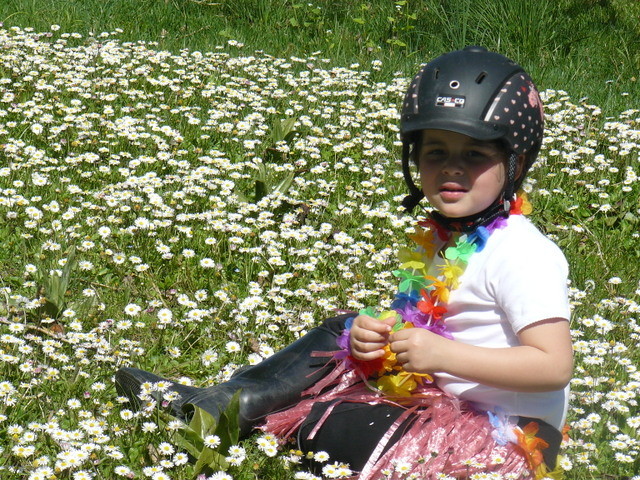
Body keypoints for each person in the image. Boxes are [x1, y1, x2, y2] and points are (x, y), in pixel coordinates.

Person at [116, 46, 573, 479]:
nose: (452, 168)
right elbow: (432, 323)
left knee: (323, 419)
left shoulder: (522, 253)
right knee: (343, 333)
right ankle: (221, 406)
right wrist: (380, 337)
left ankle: (240, 417)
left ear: (516, 162)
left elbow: (553, 366)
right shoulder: (452, 239)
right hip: (438, 398)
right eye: (436, 152)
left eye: (474, 154)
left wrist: (442, 355)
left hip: (501, 441)